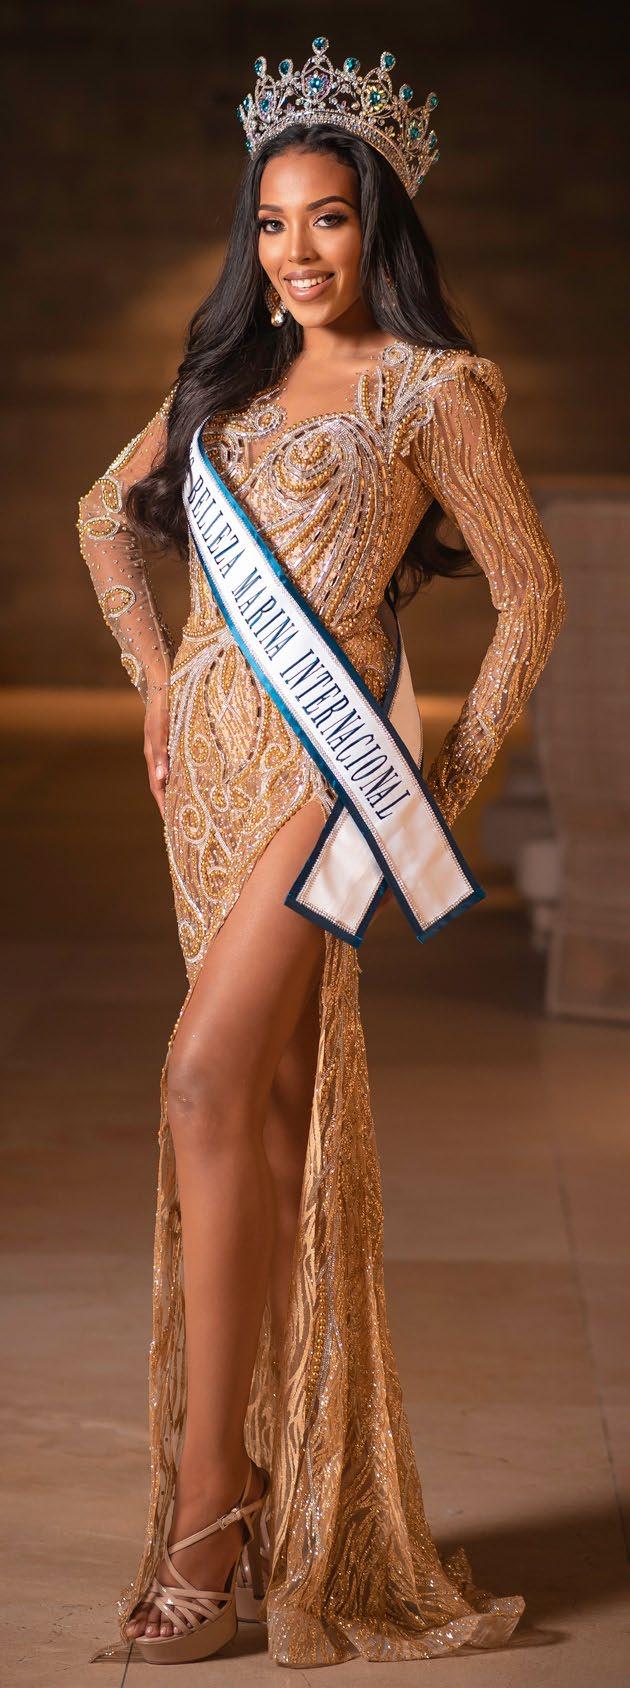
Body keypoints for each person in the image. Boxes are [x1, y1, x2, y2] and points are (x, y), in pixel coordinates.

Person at [78, 39, 566, 1669]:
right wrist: (158, 686)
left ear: (379, 227)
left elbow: (529, 596)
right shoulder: (219, 380)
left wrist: (436, 786)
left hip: (330, 767)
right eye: (275, 220)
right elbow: (100, 517)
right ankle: (277, 1506)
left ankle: (206, 1510)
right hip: (210, 780)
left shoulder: (434, 388)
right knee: (256, 1116)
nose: (298, 250)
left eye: (330, 219)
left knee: (203, 1079)